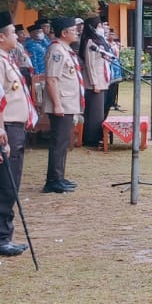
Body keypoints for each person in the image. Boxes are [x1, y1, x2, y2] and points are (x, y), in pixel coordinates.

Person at [0, 13, 31, 256]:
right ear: (0, 37)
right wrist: (1, 132)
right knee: (6, 185)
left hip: (16, 127)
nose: (17, 36)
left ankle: (3, 233)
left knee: (11, 182)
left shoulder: (6, 59)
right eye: (13, 33)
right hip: (7, 128)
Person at [43, 17, 81, 193]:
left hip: (68, 102)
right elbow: (51, 79)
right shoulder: (56, 50)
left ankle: (59, 176)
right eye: (73, 30)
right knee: (58, 142)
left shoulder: (65, 50)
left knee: (64, 141)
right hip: (61, 103)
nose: (77, 32)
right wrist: (57, 104)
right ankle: (53, 180)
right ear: (64, 33)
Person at [79, 18, 111, 146]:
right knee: (94, 113)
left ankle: (98, 136)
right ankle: (91, 139)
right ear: (93, 27)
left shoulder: (99, 40)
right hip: (94, 82)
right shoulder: (90, 42)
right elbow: (90, 64)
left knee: (99, 111)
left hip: (102, 80)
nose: (102, 28)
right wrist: (94, 83)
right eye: (100, 25)